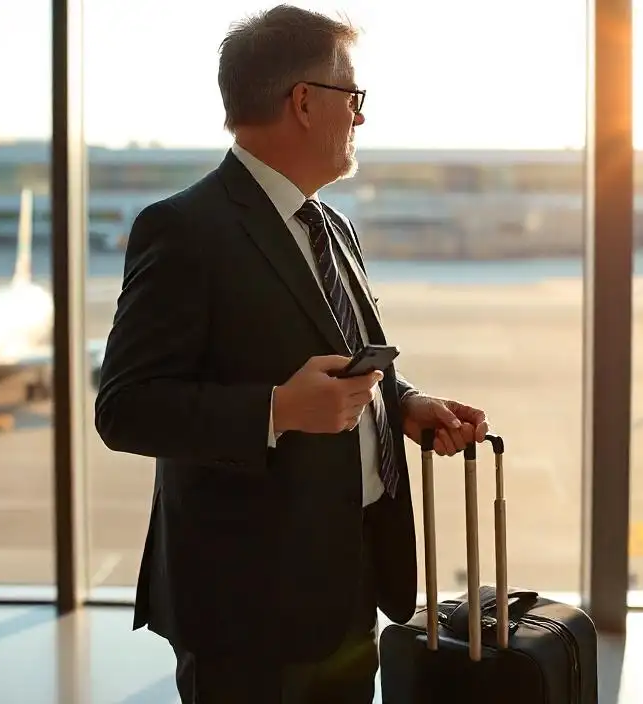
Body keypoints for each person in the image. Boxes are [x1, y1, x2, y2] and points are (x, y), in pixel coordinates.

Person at [93, 5, 490, 702]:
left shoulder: (332, 225)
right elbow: (124, 409)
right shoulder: (184, 229)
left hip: (350, 584)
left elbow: (348, 363)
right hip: (248, 613)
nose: (361, 117)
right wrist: (275, 409)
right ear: (304, 103)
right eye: (352, 96)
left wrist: (402, 403)